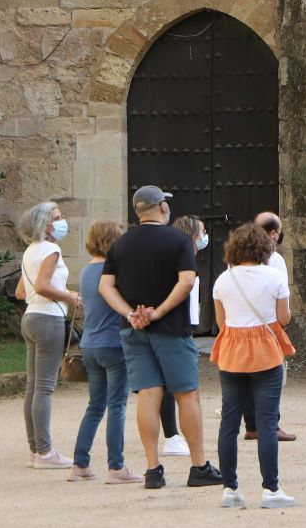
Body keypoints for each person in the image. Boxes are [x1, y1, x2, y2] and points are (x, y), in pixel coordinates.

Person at [99, 185, 222, 490]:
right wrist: (160, 311)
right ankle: (198, 465)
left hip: (133, 330)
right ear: (162, 208)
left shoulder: (121, 245)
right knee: (186, 393)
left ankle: (153, 468)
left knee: (148, 394)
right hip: (170, 328)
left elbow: (106, 287)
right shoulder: (178, 240)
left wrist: (131, 314)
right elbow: (186, 280)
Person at [210, 222, 295, 509]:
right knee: (267, 422)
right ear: (263, 248)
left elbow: (222, 323)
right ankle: (271, 489)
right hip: (265, 351)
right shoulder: (274, 277)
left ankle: (230, 488)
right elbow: (283, 318)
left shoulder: (223, 280)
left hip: (232, 351)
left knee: (229, 422)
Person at [69, 219, 139, 483]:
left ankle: (80, 463)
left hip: (89, 344)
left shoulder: (87, 271)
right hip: (113, 343)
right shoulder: (114, 272)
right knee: (117, 405)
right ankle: (116, 466)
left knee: (95, 405)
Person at [18, 200, 82, 469]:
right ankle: (44, 451)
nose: (61, 221)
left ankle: (37, 448)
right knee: (44, 387)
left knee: (33, 386)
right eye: (56, 217)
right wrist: (69, 296)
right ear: (44, 224)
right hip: (48, 318)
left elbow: (22, 292)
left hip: (31, 316)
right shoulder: (51, 249)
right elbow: (44, 286)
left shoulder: (30, 251)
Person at [159, 213, 211, 458]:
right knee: (176, 385)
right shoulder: (182, 256)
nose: (204, 237)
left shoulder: (183, 255)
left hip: (184, 323)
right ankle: (172, 436)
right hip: (178, 325)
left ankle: (174, 434)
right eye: (201, 232)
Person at [252, 211, 297, 443]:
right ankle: (272, 424)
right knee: (272, 377)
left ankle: (252, 425)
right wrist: (283, 323)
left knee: (247, 374)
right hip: (269, 325)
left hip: (243, 326)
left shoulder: (238, 256)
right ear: (273, 234)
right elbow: (282, 297)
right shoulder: (276, 259)